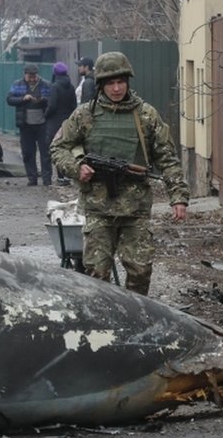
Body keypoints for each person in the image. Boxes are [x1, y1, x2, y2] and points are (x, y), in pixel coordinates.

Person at [51, 52, 189, 296]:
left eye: (120, 82)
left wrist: (178, 197)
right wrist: (77, 168)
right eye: (110, 83)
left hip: (135, 210)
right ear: (101, 85)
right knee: (96, 273)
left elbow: (167, 158)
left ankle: (134, 318)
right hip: (98, 208)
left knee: (140, 270)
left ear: (128, 82)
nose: (116, 88)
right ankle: (104, 323)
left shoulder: (146, 115)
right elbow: (58, 147)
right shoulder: (85, 115)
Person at [7, 63, 53, 186]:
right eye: (29, 77)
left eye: (34, 77)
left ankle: (47, 179)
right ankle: (32, 178)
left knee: (45, 152)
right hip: (25, 124)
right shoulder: (17, 85)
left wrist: (43, 100)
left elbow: (53, 100)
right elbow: (10, 100)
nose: (32, 79)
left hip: (42, 124)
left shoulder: (46, 85)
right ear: (25, 75)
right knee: (28, 152)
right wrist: (23, 99)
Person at [45, 62, 77, 186]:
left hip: (55, 121)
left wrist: (45, 115)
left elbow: (52, 105)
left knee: (55, 148)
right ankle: (67, 175)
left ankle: (60, 176)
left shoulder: (55, 86)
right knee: (67, 147)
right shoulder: (71, 86)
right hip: (67, 120)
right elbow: (74, 105)